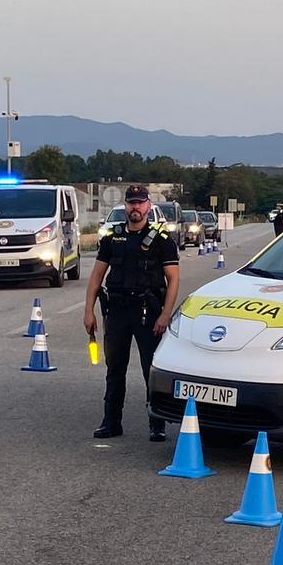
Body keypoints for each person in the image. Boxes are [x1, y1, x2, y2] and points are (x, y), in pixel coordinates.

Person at [84, 185, 181, 441]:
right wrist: (89, 312)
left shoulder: (161, 241)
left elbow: (173, 280)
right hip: (116, 311)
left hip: (148, 313)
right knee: (114, 368)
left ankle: (156, 423)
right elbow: (96, 278)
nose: (135, 208)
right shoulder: (112, 238)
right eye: (131, 203)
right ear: (125, 206)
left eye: (140, 203)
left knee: (151, 368)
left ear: (148, 205)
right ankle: (111, 421)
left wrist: (165, 315)